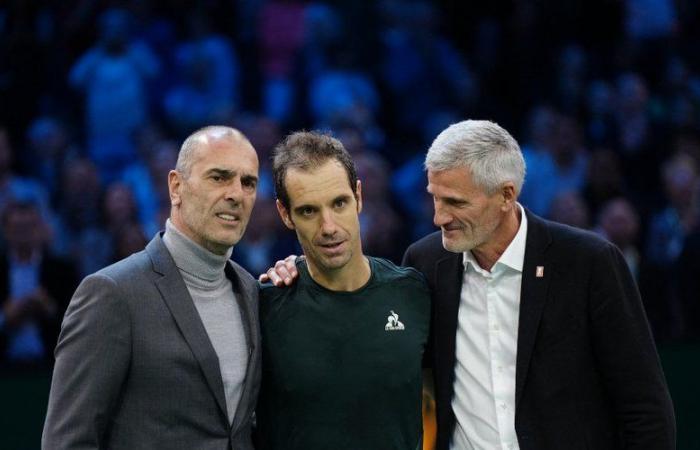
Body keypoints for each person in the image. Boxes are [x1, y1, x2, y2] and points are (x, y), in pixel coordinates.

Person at [265, 120, 675, 449]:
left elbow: (645, 410)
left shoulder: (588, 263)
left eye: (455, 203)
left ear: (505, 195)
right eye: (434, 198)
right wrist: (296, 268)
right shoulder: (425, 264)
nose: (438, 217)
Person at [42, 126, 261, 450]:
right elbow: (67, 442)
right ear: (176, 187)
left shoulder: (253, 291)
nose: (236, 194)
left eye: (249, 183)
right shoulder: (111, 293)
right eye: (219, 177)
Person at [257, 131, 430, 449]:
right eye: (309, 211)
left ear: (359, 197)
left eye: (339, 203)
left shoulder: (413, 293)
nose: (329, 227)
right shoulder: (263, 306)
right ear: (285, 214)